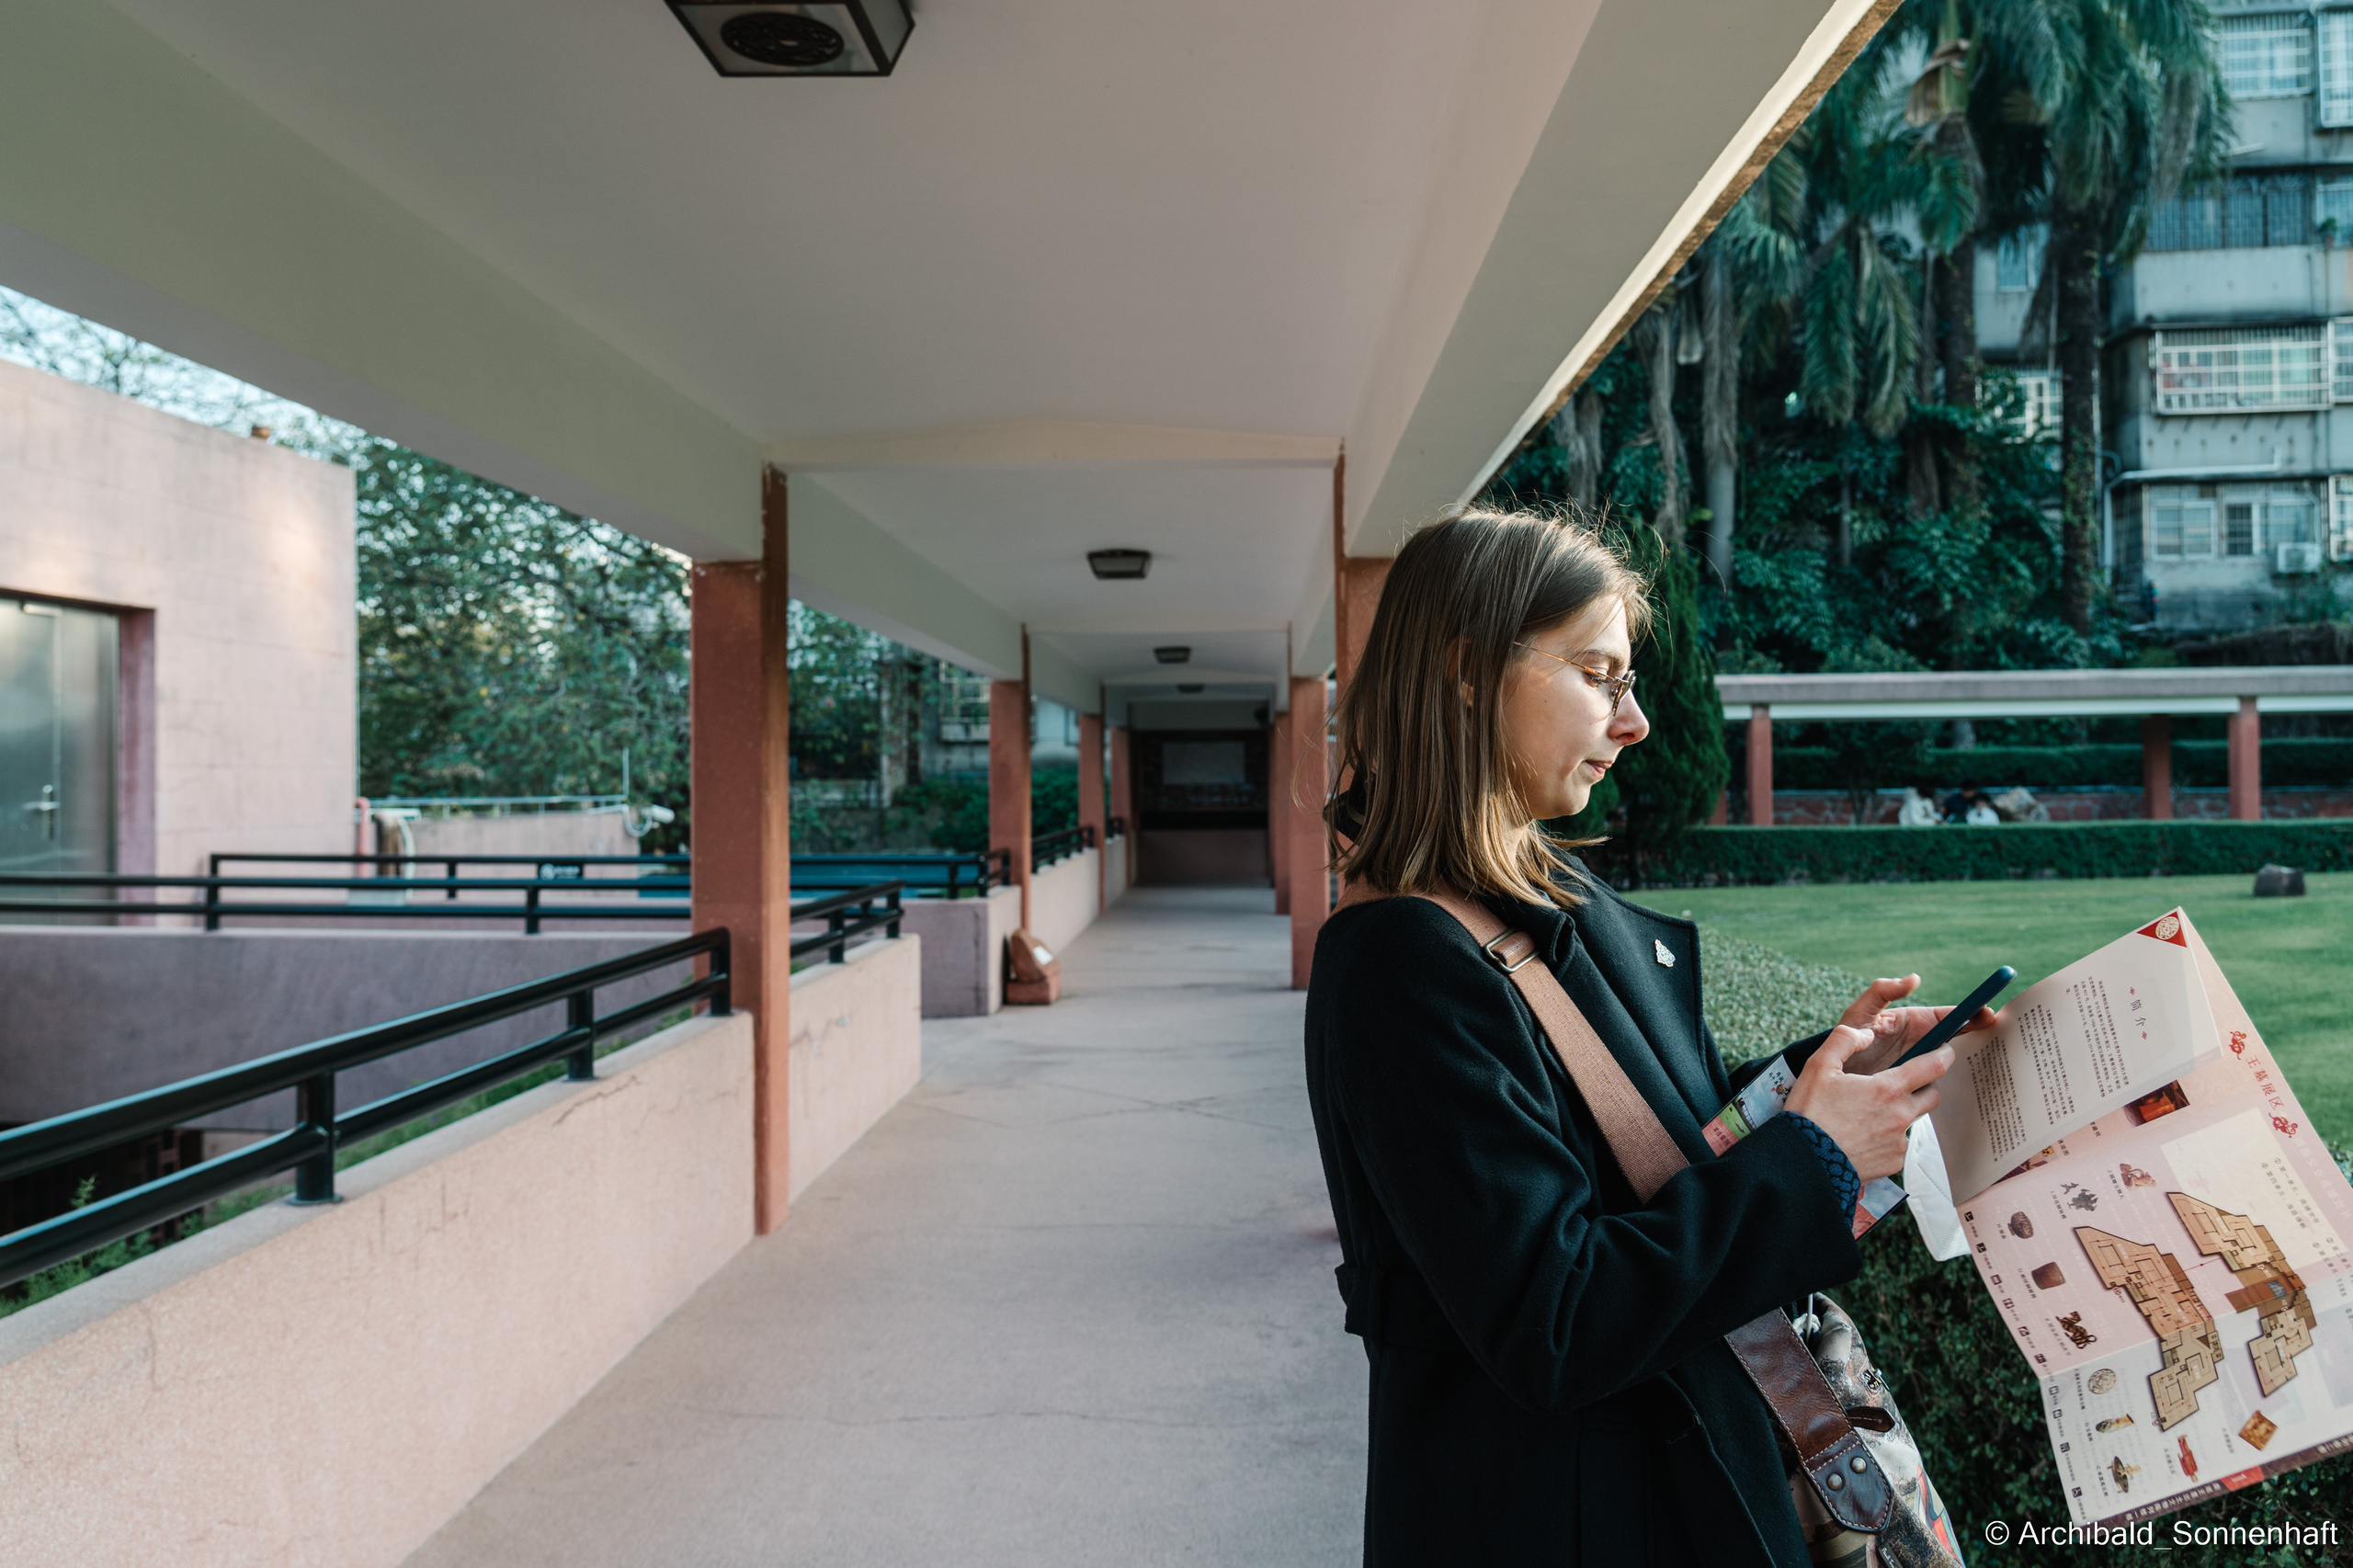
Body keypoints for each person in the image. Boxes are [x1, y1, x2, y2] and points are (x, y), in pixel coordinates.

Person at [1305, 507, 1984, 1567]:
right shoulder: (1401, 959)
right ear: (1468, 668)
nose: (1635, 725)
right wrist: (1815, 1154)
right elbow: (1555, 1311)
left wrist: (1821, 1078)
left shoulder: (1535, 895)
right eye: (1598, 674)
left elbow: (1661, 1147)